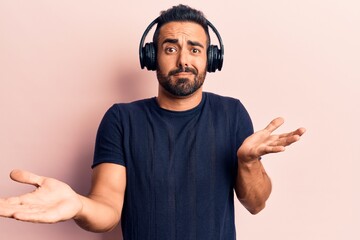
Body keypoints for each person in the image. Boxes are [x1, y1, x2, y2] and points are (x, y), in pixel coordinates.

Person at [0, 4, 305, 240]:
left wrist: (248, 162)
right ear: (151, 57)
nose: (183, 60)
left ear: (211, 59)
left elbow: (256, 203)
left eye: (194, 50)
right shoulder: (121, 119)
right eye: (170, 48)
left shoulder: (232, 113)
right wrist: (78, 205)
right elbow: (107, 208)